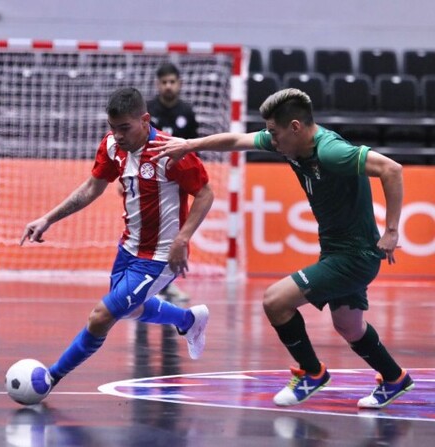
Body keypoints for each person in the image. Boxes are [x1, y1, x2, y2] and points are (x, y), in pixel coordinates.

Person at [149, 88, 414, 409]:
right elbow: (236, 141)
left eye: (274, 132)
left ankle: (311, 372)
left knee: (275, 301)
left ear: (296, 128)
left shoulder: (331, 152)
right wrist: (189, 145)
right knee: (348, 325)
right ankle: (394, 378)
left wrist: (391, 230)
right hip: (335, 250)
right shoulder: (287, 142)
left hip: (355, 255)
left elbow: (392, 169)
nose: (270, 140)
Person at [20, 87, 214, 397]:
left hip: (161, 256)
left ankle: (50, 378)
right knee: (127, 309)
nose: (118, 135)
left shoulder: (171, 151)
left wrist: (183, 238)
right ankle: (188, 319)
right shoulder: (112, 146)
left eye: (125, 127)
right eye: (113, 128)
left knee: (101, 316)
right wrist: (48, 218)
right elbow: (90, 188)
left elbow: (205, 193)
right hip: (127, 248)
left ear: (145, 119)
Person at [147, 62, 200, 302]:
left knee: (174, 232)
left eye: (172, 81)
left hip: (177, 180)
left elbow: (194, 148)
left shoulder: (186, 111)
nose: (168, 86)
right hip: (149, 178)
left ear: (179, 84)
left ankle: (168, 285)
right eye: (164, 82)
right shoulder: (147, 110)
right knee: (148, 231)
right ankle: (148, 284)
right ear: (158, 84)